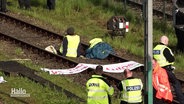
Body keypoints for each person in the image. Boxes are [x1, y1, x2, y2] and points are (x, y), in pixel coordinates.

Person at [153, 35, 184, 104]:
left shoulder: (155, 49)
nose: (168, 42)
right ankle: (182, 100)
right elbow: (171, 59)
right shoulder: (165, 49)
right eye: (167, 41)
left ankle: (160, 99)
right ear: (165, 41)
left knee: (159, 85)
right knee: (176, 83)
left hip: (157, 70)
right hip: (166, 70)